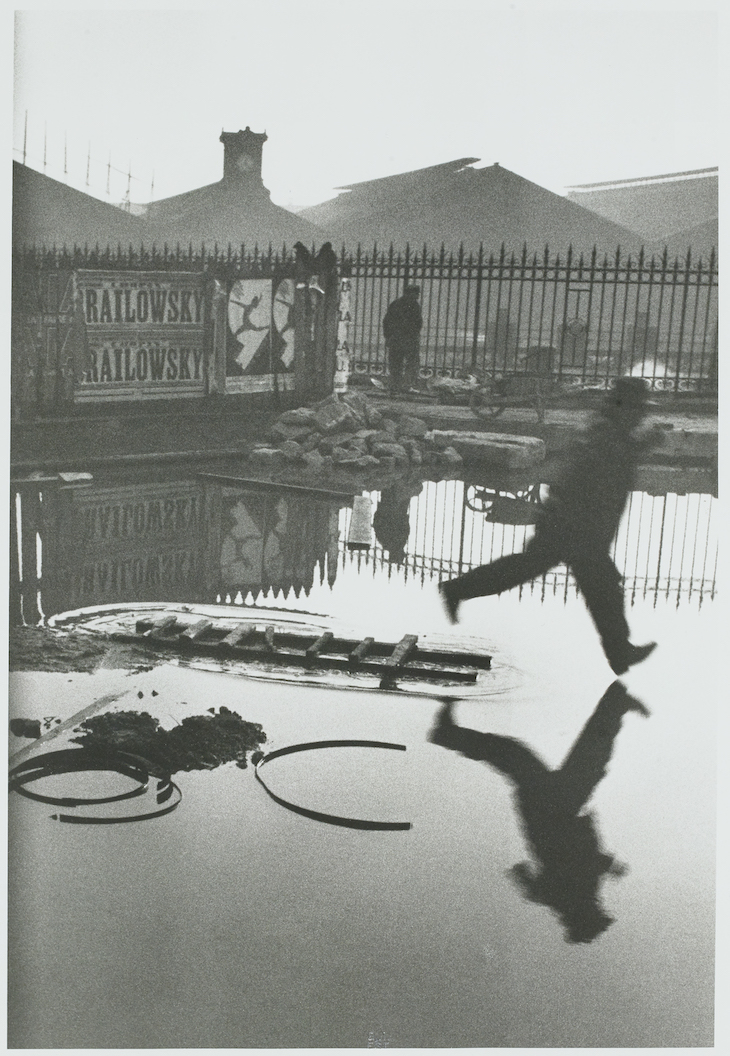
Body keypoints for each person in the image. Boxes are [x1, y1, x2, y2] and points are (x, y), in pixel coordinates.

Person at [439, 377, 658, 676]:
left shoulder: (608, 429)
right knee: (600, 585)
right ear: (627, 408)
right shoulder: (605, 433)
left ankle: (620, 652)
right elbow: (602, 467)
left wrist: (638, 444)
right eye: (638, 409)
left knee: (578, 580)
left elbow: (609, 460)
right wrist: (641, 444)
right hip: (575, 526)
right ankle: (619, 652)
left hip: (575, 524)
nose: (641, 415)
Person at [429, 683, 649, 944]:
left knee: (567, 758)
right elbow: (551, 876)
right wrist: (608, 867)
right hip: (556, 809)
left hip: (553, 811)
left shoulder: (570, 897)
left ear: (586, 915)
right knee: (540, 757)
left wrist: (609, 867)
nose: (601, 907)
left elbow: (571, 870)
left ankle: (616, 703)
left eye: (598, 914)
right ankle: (447, 733)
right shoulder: (571, 896)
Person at [382, 285, 423, 393]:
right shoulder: (414, 306)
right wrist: (415, 335)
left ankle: (395, 386)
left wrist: (388, 337)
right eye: (416, 294)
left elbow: (386, 321)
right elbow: (418, 323)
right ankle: (406, 385)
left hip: (395, 339)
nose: (418, 296)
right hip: (409, 339)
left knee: (395, 364)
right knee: (412, 363)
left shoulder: (395, 304)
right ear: (411, 294)